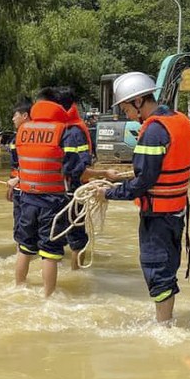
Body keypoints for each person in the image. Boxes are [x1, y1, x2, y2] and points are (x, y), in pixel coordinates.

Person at [97, 72, 190, 323]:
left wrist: (108, 193)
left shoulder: (153, 131)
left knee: (157, 270)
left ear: (137, 102)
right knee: (168, 266)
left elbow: (143, 182)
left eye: (125, 108)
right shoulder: (182, 121)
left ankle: (163, 327)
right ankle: (165, 319)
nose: (126, 114)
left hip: (156, 215)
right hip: (176, 210)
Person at [59, 89, 121, 270]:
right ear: (74, 106)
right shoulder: (75, 132)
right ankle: (75, 276)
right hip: (71, 193)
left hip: (51, 192)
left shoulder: (56, 130)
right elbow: (80, 172)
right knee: (78, 239)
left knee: (52, 239)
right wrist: (104, 174)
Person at [5, 96, 32, 230]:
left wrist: (17, 180)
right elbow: (16, 165)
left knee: (25, 226)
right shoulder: (16, 137)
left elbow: (34, 165)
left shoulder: (31, 137)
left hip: (27, 188)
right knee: (19, 223)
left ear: (25, 115)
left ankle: (21, 250)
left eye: (15, 115)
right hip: (17, 186)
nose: (13, 119)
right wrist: (12, 185)